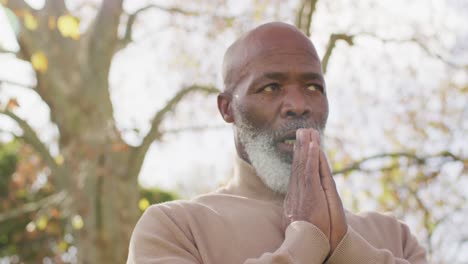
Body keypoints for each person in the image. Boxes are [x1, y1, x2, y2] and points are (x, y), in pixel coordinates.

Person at [127, 22, 427, 264]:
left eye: (313, 87)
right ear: (227, 108)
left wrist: (346, 248)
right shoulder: (177, 227)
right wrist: (306, 242)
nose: (298, 105)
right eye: (271, 87)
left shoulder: (393, 236)